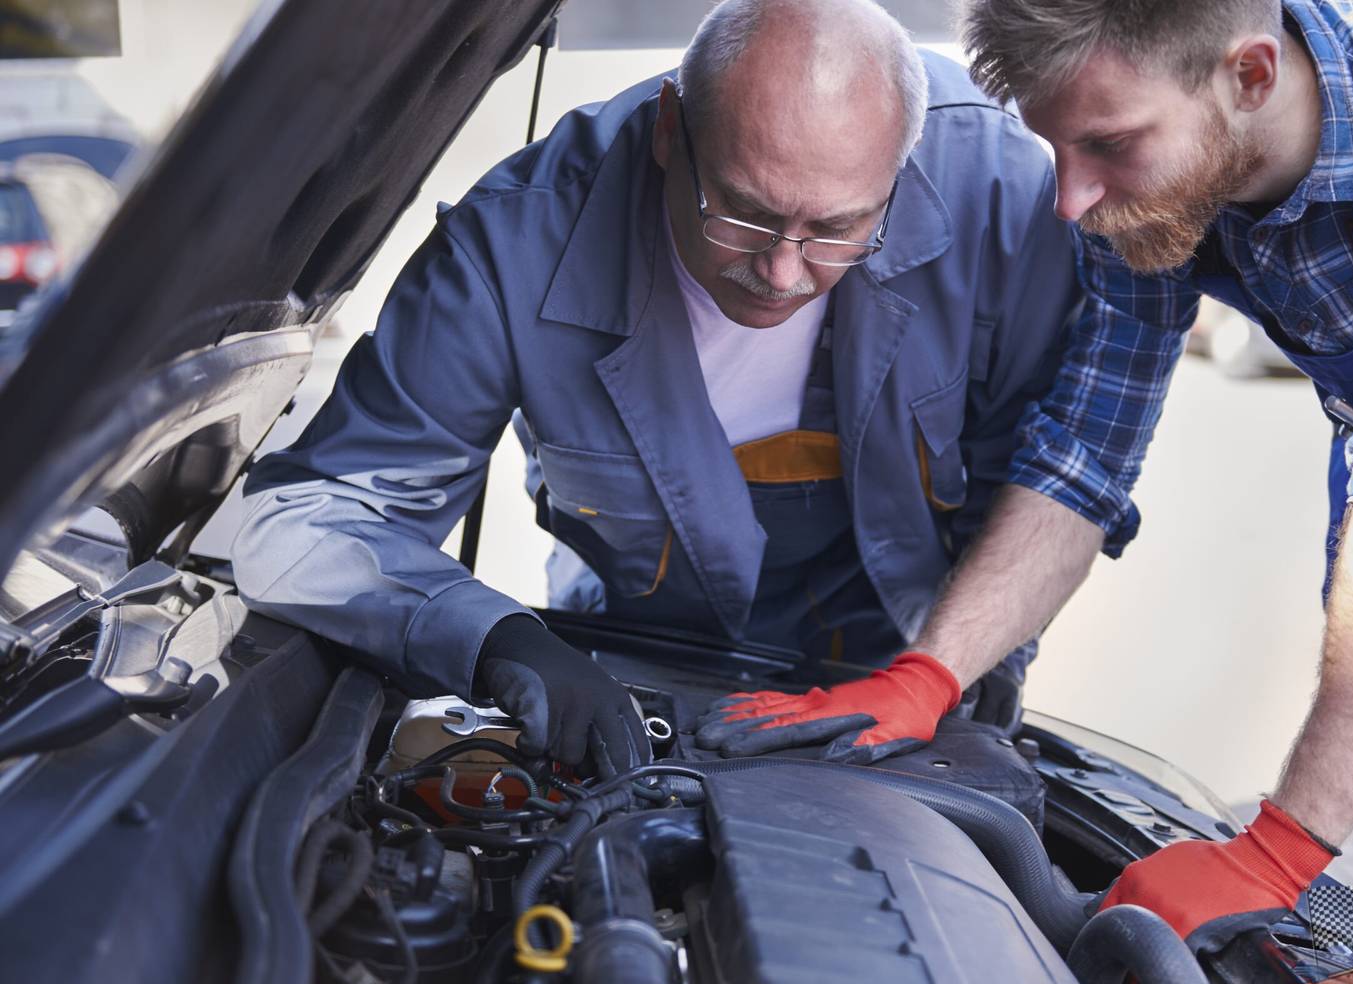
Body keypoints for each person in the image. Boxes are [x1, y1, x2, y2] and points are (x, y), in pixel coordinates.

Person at [729, 0, 1353, 984]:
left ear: (1252, 77)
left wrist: (1278, 849)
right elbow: (1084, 451)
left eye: (1107, 145)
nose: (1069, 196)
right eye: (1056, 147)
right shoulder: (1138, 183)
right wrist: (928, 671)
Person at [231, 0, 1080, 774]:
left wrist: (966, 682)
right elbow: (309, 516)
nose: (783, 272)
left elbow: (1056, 477)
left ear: (903, 164)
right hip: (631, 671)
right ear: (672, 130)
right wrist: (495, 637)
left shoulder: (1003, 197)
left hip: (897, 689)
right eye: (743, 211)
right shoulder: (516, 247)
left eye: (837, 227)